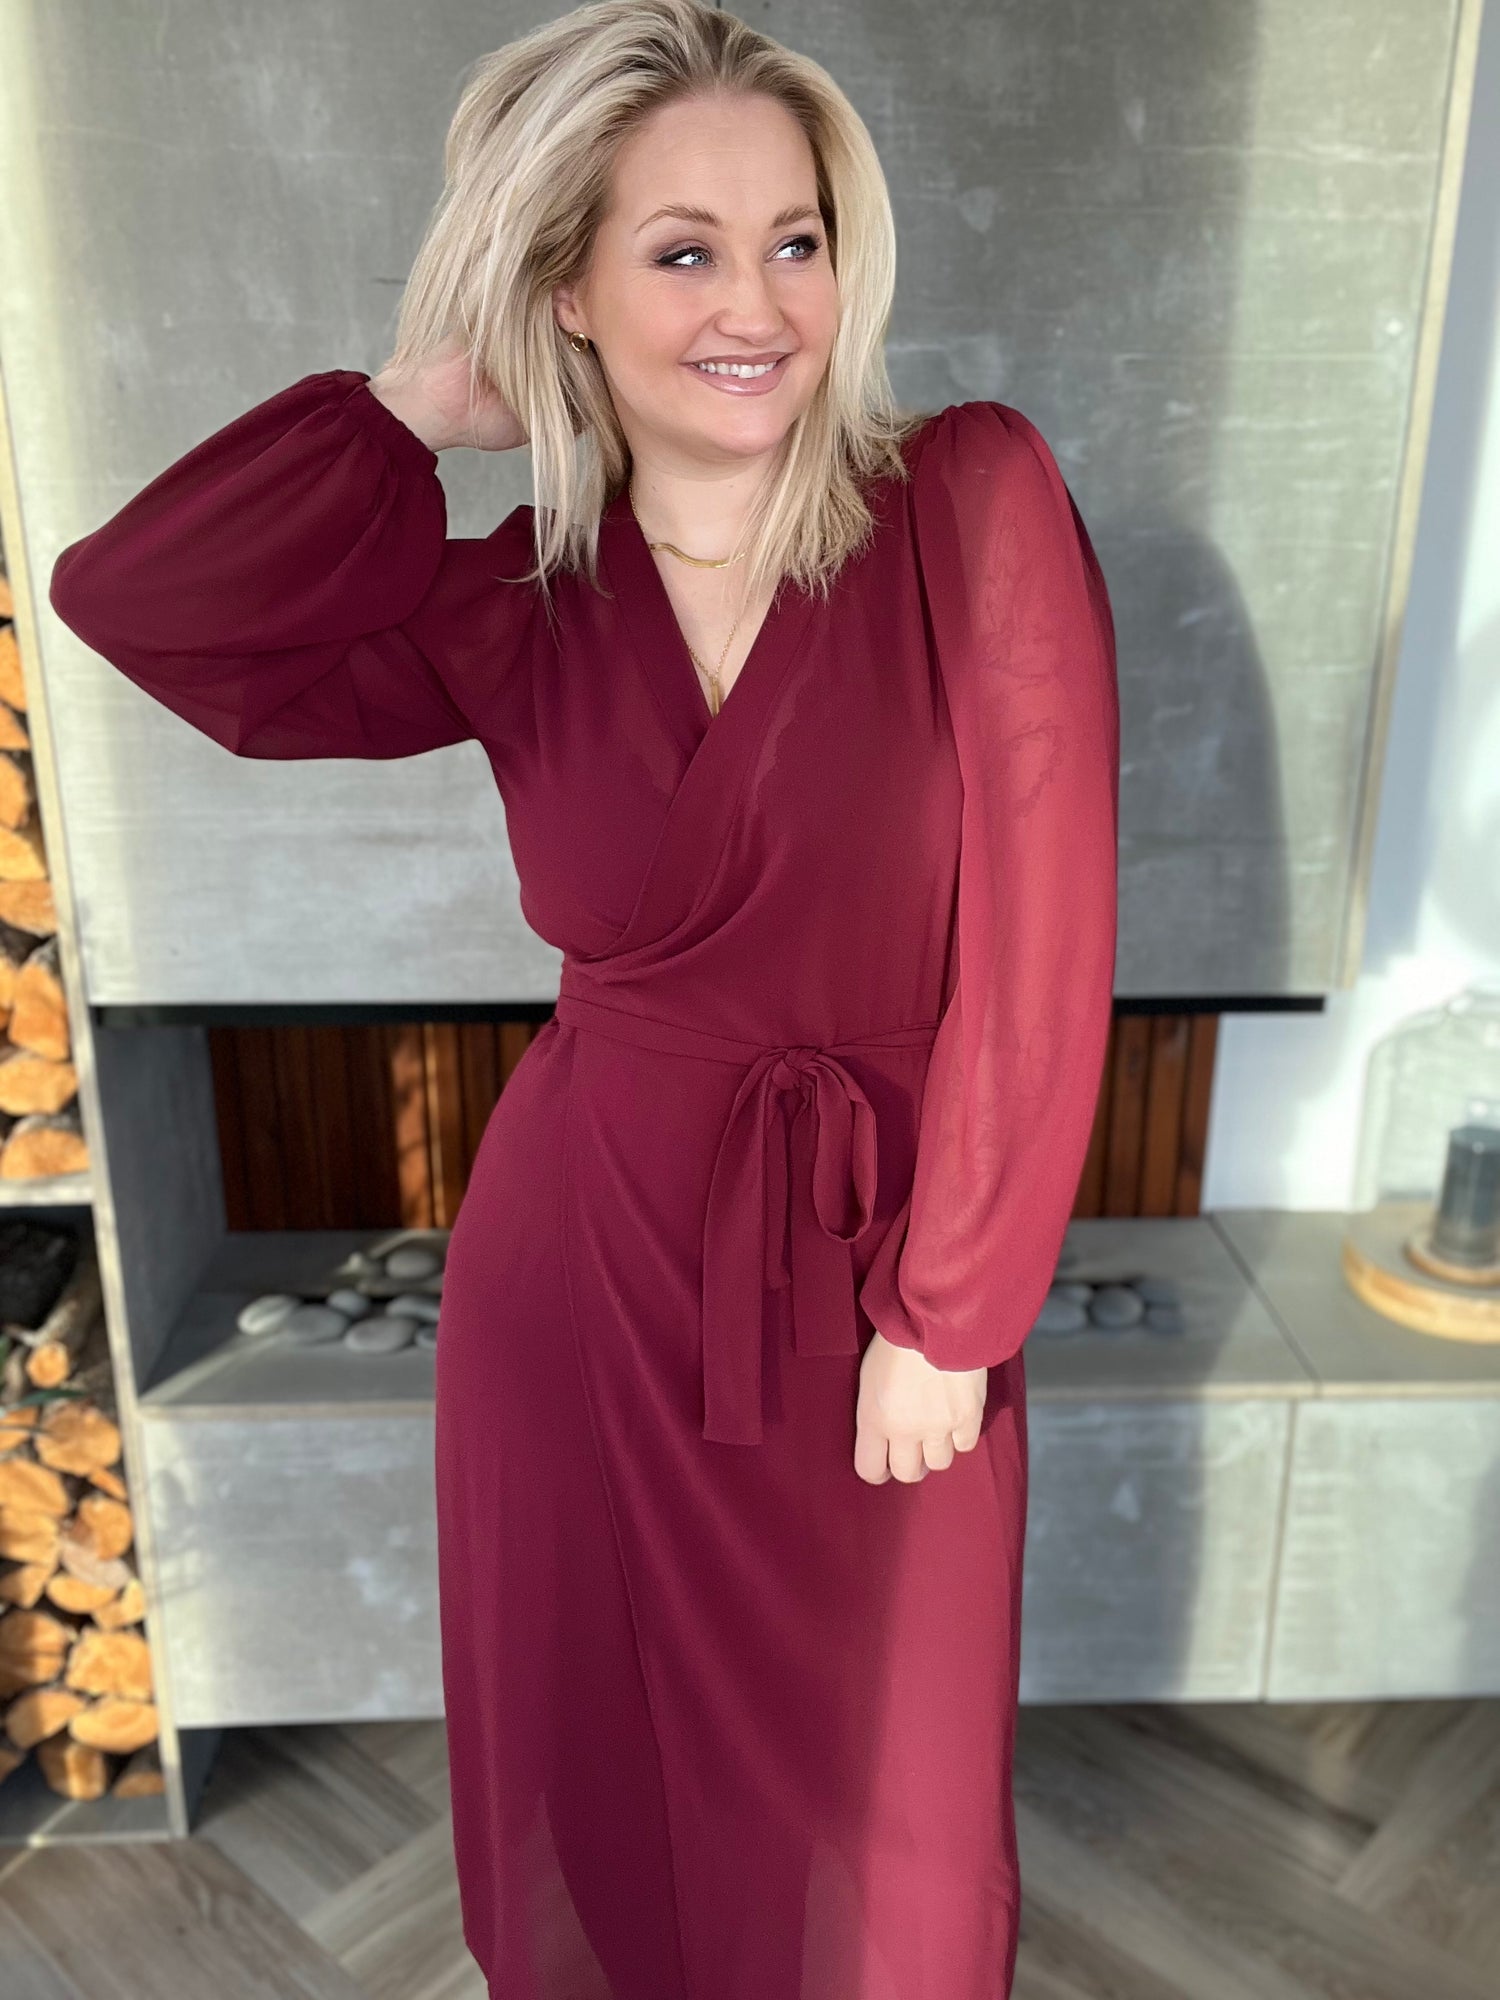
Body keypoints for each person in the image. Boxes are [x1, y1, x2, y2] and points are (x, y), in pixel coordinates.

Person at [47, 2, 1119, 1992]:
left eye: (794, 240)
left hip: (883, 1273)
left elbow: (1047, 940)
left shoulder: (968, 503)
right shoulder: (518, 601)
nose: (758, 305)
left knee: (890, 1822)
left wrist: (950, 1311)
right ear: (568, 287)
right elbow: (142, 605)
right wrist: (406, 411)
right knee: (611, 1786)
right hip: (586, 1277)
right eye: (681, 249)